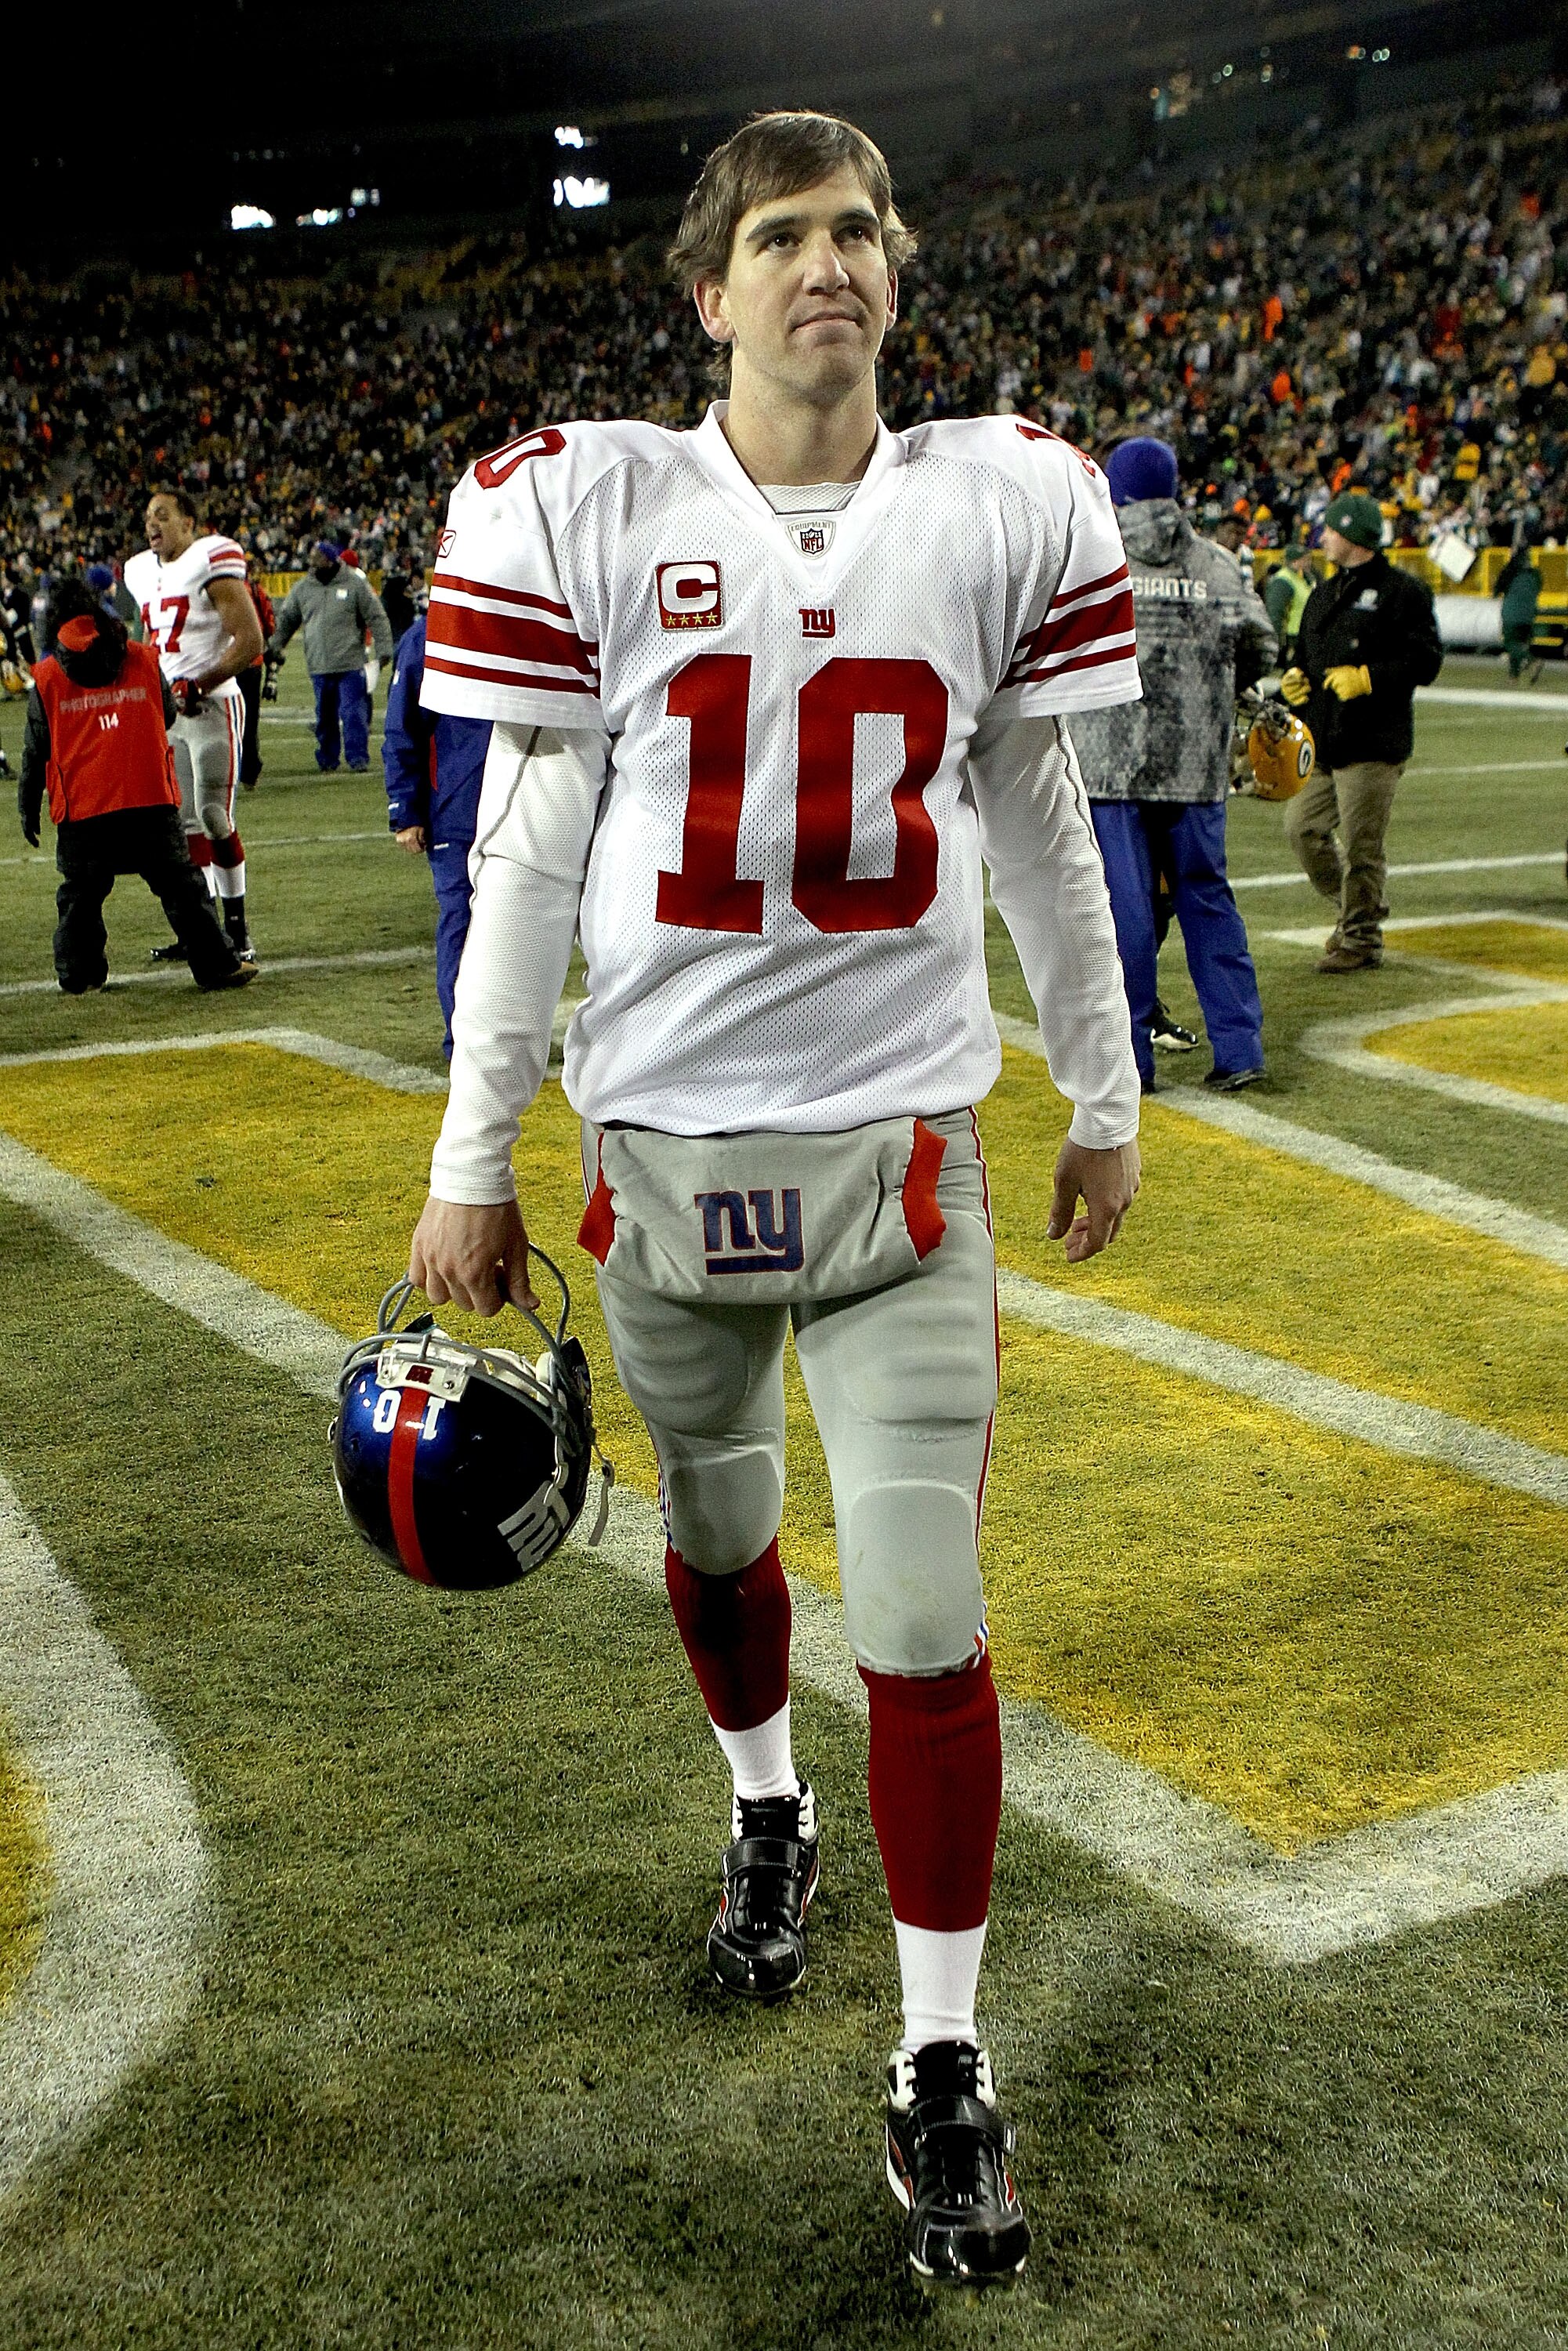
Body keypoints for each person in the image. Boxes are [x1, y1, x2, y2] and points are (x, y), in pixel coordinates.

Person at [407, 110, 1145, 2292]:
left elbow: (1039, 831)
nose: (830, 264)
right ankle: (763, 1810)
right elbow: (526, 865)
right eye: (784, 236)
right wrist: (473, 1164)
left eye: (862, 232)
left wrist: (1100, 1091)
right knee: (721, 1546)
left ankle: (939, 2066)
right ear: (708, 289)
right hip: (665, 1155)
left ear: (897, 275)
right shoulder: (589, 503)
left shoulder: (1003, 504)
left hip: (905, 1158)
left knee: (920, 1607)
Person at [1070, 437, 1276, 1093]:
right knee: (1208, 899)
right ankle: (1239, 1048)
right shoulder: (1216, 565)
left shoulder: (1090, 557)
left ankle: (1134, 1061)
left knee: (1126, 911)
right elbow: (1261, 649)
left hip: (1110, 767)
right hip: (1195, 764)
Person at [18, 578, 254, 994]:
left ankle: (81, 974)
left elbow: (36, 750)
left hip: (84, 806)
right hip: (148, 797)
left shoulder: (48, 676)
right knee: (182, 888)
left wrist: (27, 805)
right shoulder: (142, 658)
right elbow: (164, 715)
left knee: (80, 899)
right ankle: (218, 966)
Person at [1281, 490, 1442, 972]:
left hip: (1373, 742)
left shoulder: (1403, 593)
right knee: (1302, 829)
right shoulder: (1324, 594)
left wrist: (1370, 677)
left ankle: (1360, 937)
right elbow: (1305, 657)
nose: (1323, 537)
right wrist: (1295, 681)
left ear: (1353, 534)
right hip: (1325, 738)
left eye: (1330, 528)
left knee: (1362, 845)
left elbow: (1426, 660)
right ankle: (1358, 910)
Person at [124, 488, 264, 963]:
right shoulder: (141, 571)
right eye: (147, 518)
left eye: (163, 515)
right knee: (184, 824)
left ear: (190, 522)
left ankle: (237, 930)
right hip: (170, 713)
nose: (152, 525)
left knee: (214, 816)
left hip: (214, 706)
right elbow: (151, 640)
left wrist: (199, 683)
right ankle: (201, 932)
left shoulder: (211, 558)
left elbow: (250, 639)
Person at [380, 611, 492, 1057]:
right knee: (462, 926)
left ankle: (514, 1037)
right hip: (458, 813)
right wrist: (405, 810)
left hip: (530, 808)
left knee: (535, 926)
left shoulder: (529, 619)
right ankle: (463, 1041)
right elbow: (402, 726)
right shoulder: (428, 635)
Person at [266, 542, 393, 773]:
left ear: (331, 560)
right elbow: (287, 621)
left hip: (351, 662)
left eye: (318, 558)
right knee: (325, 718)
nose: (313, 562)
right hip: (319, 663)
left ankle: (358, 759)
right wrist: (275, 646)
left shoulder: (355, 585)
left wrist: (384, 649)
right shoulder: (303, 588)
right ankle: (327, 759)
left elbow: (376, 616)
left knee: (353, 713)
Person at [238, 559, 275, 788]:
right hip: (252, 663)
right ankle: (250, 772)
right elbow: (270, 625)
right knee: (249, 720)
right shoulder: (254, 590)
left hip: (224, 662)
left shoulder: (213, 591)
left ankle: (227, 771)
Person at [1496, 544, 1542, 681]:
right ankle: (1513, 677)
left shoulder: (1510, 573)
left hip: (1512, 613)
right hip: (1529, 614)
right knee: (1521, 644)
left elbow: (1497, 590)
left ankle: (1531, 661)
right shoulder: (1535, 574)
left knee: (1511, 645)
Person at [1263, 541, 1314, 662]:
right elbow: (1276, 612)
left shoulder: (1302, 578)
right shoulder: (1282, 581)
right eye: (1305, 559)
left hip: (1303, 633)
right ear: (1294, 561)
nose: (1308, 563)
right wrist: (1278, 642)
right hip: (1292, 637)